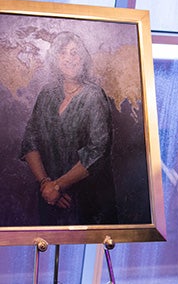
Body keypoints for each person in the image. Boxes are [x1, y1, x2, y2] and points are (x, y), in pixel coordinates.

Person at [20, 31, 118, 226]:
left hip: (85, 199)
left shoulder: (94, 96)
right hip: (48, 196)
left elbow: (97, 151)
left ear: (83, 58)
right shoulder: (47, 93)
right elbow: (30, 141)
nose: (69, 59)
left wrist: (58, 186)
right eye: (63, 53)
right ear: (56, 59)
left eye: (75, 53)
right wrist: (46, 185)